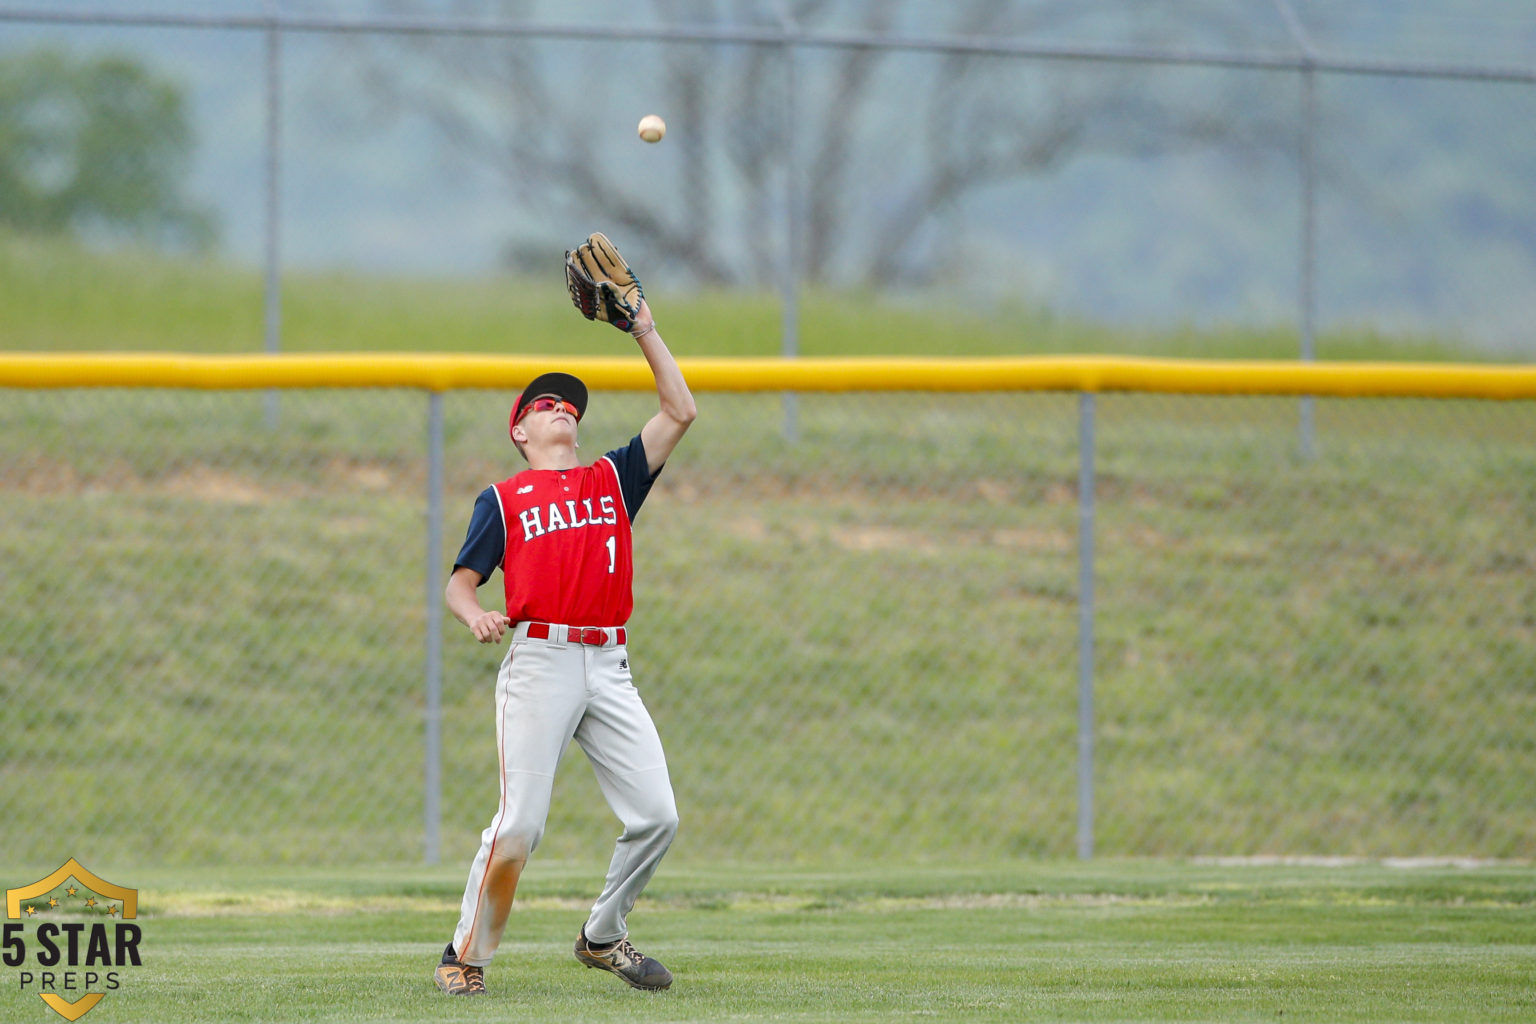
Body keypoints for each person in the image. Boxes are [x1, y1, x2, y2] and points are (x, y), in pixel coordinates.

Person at [431, 270, 696, 996]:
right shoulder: (504, 499)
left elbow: (680, 409)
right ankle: (464, 956)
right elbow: (459, 582)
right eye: (545, 404)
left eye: (569, 405)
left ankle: (603, 936)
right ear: (519, 430)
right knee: (520, 826)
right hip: (540, 661)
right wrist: (475, 612)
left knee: (657, 816)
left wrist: (641, 322)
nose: (561, 411)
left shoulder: (612, 479)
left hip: (608, 662)